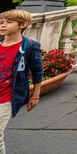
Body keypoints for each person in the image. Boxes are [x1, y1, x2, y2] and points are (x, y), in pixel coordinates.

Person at [0, 10, 43, 154]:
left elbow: (37, 72)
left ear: (23, 25)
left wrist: (35, 95)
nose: (3, 26)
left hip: (6, 98)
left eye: (9, 22)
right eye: (1, 22)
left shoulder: (29, 46)